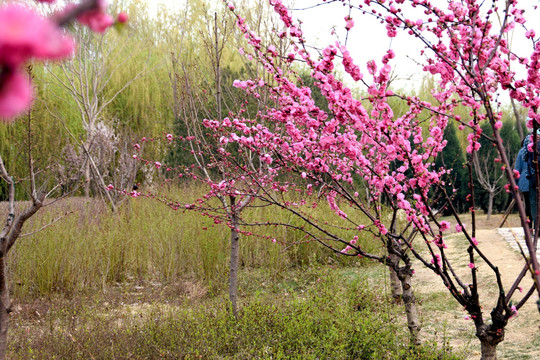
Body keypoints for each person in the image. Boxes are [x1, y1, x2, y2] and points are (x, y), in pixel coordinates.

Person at [515, 134, 533, 231]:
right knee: (535, 205)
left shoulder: (521, 152)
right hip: (532, 181)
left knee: (528, 205)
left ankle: (529, 227)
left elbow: (517, 169)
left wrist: (515, 184)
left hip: (525, 182)